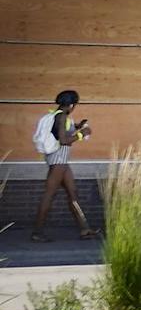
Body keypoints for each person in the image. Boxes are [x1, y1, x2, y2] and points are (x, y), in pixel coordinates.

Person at [31, 89, 99, 243]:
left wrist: (78, 126)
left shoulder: (59, 116)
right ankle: (37, 232)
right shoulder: (62, 117)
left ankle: (84, 229)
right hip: (58, 161)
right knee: (49, 195)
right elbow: (63, 140)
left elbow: (61, 131)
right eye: (75, 105)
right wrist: (82, 134)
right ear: (72, 104)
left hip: (61, 162)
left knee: (73, 194)